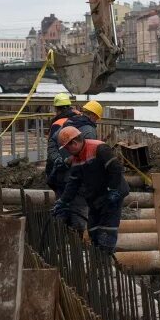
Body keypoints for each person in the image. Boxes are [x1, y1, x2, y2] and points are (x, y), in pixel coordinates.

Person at [52, 127, 130, 252]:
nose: (67, 151)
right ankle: (99, 254)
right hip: (95, 196)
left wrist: (113, 189)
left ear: (74, 143)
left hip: (111, 196)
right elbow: (73, 183)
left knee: (107, 230)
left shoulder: (99, 148)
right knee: (93, 230)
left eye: (67, 147)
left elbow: (115, 169)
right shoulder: (76, 158)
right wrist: (63, 201)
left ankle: (106, 258)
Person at [45, 94, 98, 231]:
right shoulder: (88, 130)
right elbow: (89, 158)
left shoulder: (67, 123)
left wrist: (58, 161)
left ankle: (59, 237)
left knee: (62, 207)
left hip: (59, 175)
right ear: (93, 115)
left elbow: (52, 143)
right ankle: (76, 241)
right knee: (79, 212)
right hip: (75, 179)